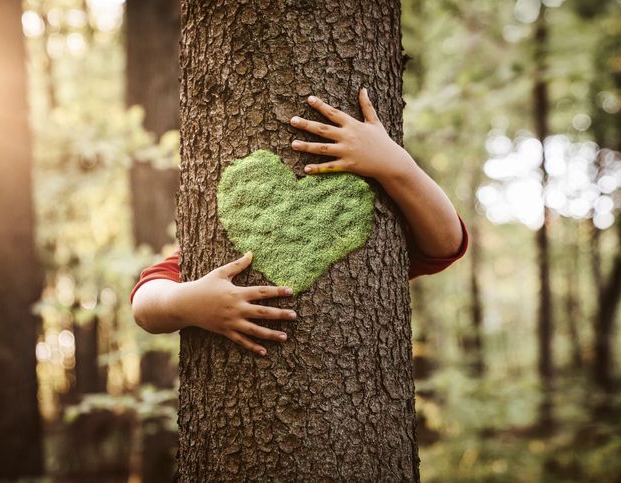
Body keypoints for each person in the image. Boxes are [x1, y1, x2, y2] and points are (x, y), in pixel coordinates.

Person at [130, 87, 468, 357]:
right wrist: (188, 303)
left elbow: (446, 243)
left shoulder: (382, 230)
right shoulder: (219, 245)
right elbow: (146, 303)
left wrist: (396, 165)